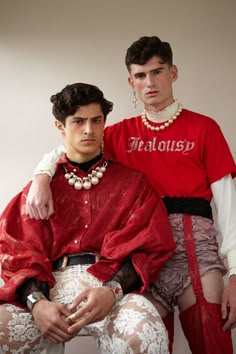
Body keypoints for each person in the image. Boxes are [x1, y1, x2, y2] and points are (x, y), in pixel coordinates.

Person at [26, 36, 236, 354]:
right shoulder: (118, 133)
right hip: (141, 255)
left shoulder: (204, 128)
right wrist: (42, 175)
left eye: (157, 71)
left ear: (173, 73)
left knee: (212, 342)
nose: (149, 82)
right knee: (145, 344)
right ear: (131, 81)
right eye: (140, 75)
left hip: (195, 252)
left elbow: (228, 204)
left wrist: (235, 273)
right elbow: (71, 149)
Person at [0, 82, 176, 354]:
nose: (89, 130)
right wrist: (37, 303)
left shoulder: (133, 184)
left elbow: (149, 247)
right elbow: (19, 251)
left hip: (111, 290)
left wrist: (113, 291)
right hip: (50, 287)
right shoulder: (40, 190)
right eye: (78, 121)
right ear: (60, 126)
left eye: (96, 120)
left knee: (145, 333)